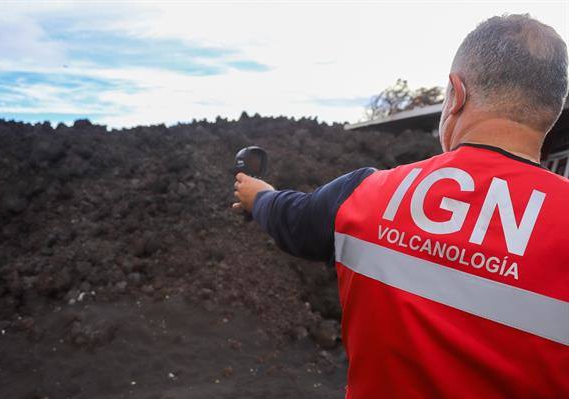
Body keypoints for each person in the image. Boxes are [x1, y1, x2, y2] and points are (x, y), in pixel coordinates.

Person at [233, 14, 568, 398]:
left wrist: (255, 194)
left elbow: (291, 220)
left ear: (456, 94)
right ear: (551, 111)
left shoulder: (365, 194)